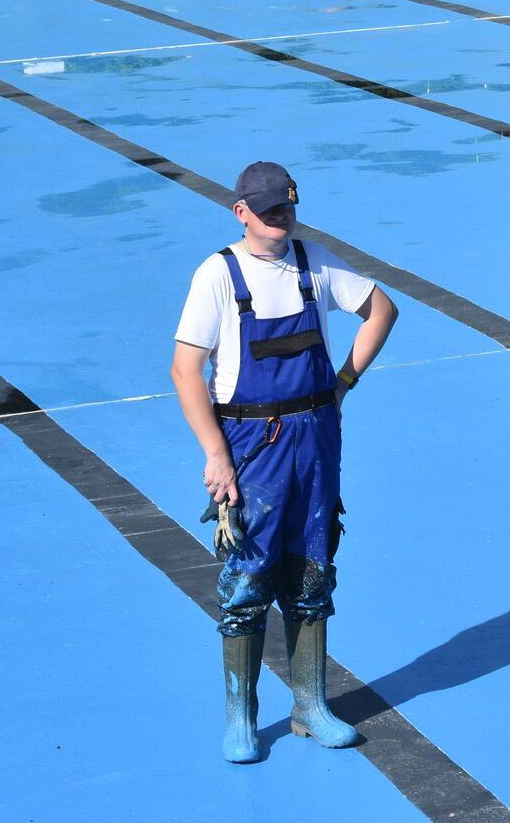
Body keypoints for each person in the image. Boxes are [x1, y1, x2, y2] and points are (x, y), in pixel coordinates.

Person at [170, 161, 399, 763]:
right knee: (247, 578)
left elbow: (383, 310)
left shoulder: (315, 261)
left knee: (313, 569)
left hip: (317, 436)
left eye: (288, 208)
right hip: (252, 446)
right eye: (270, 210)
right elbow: (185, 370)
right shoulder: (217, 275)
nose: (281, 219)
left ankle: (310, 706)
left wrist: (345, 380)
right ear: (240, 210)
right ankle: (241, 718)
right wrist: (216, 455)